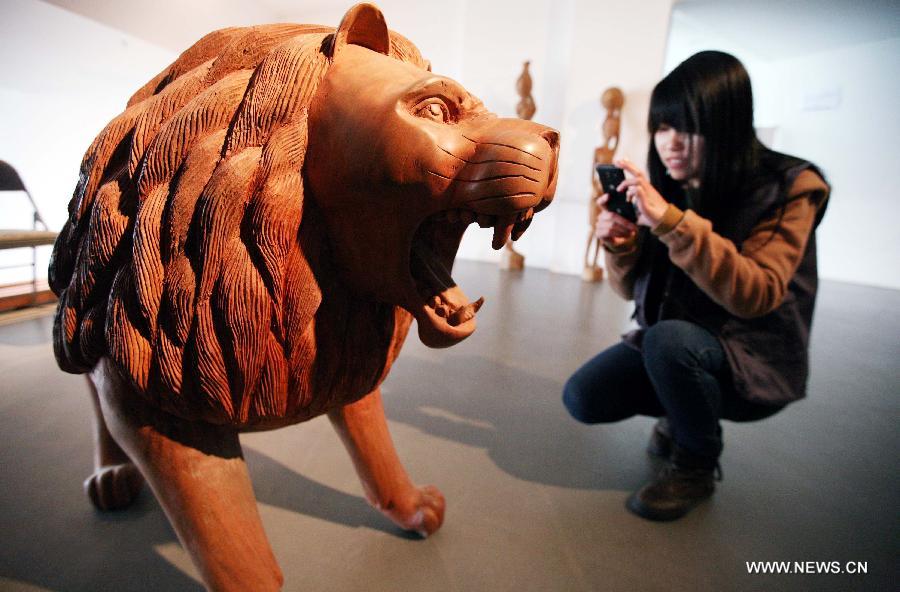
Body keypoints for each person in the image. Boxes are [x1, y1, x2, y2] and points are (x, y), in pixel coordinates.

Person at [562, 51, 830, 521]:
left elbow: (758, 293)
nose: (671, 144)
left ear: (728, 124)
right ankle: (683, 408)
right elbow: (629, 293)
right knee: (584, 396)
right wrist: (622, 246)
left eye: (688, 128)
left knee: (669, 342)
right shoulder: (670, 186)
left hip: (753, 358)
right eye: (662, 128)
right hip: (681, 345)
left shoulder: (789, 187)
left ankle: (696, 465)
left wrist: (670, 222)